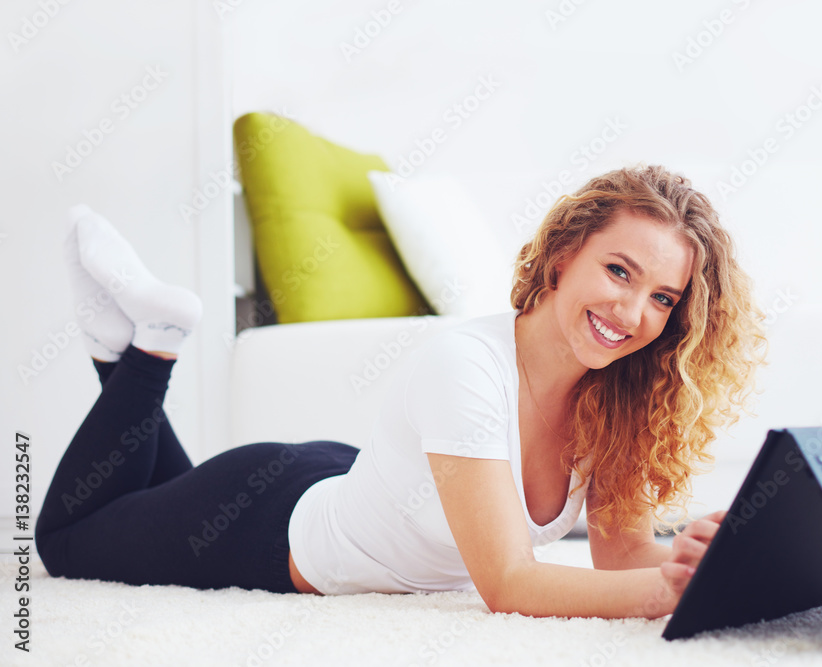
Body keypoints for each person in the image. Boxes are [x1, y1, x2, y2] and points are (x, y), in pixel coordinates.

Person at [37, 165, 766, 619]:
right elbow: (509, 582)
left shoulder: (619, 397)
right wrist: (662, 594)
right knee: (67, 540)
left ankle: (123, 347)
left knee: (144, 501)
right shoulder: (466, 364)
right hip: (265, 523)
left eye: (664, 298)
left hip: (360, 479)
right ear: (564, 256)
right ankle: (150, 347)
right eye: (619, 271)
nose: (634, 313)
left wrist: (704, 561)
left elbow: (624, 554)